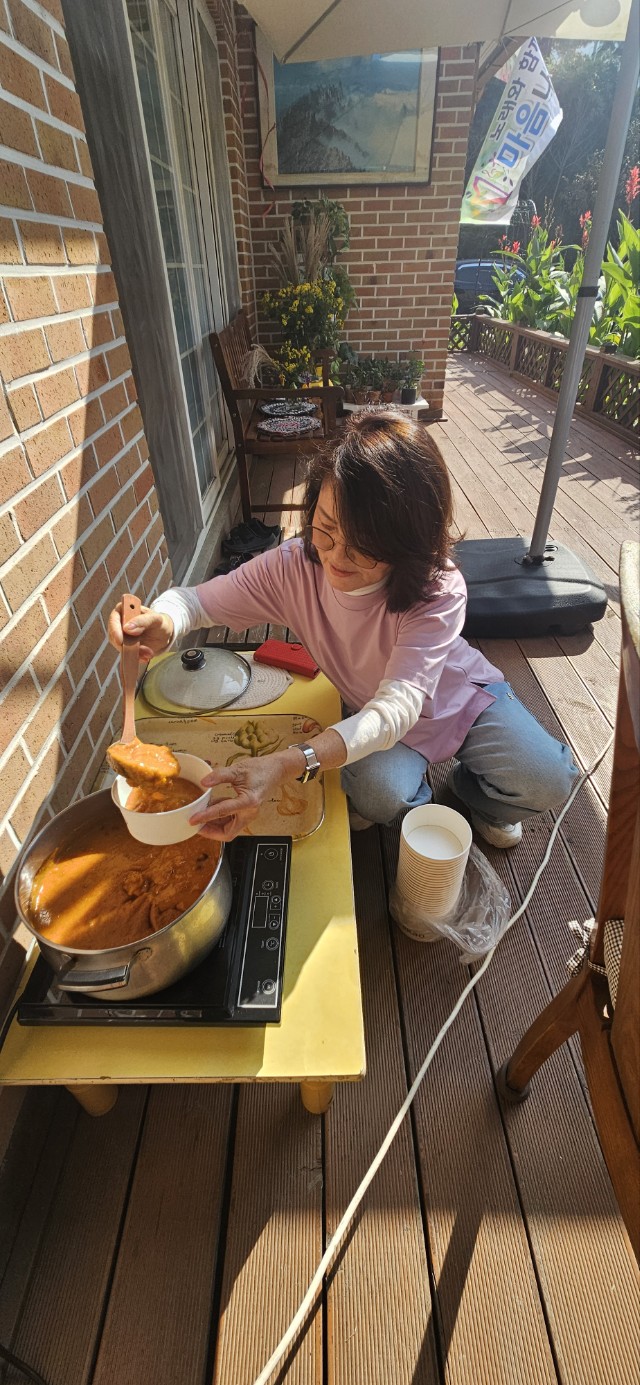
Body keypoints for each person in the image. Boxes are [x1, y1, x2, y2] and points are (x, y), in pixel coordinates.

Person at [108, 412, 579, 844]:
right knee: (378, 795)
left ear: (409, 541)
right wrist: (164, 620)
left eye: (364, 545)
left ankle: (473, 793)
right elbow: (196, 602)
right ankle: (419, 802)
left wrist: (290, 762)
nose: (335, 556)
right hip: (370, 713)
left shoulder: (437, 588)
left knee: (550, 777)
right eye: (326, 528)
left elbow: (398, 709)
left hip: (457, 699)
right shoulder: (293, 567)